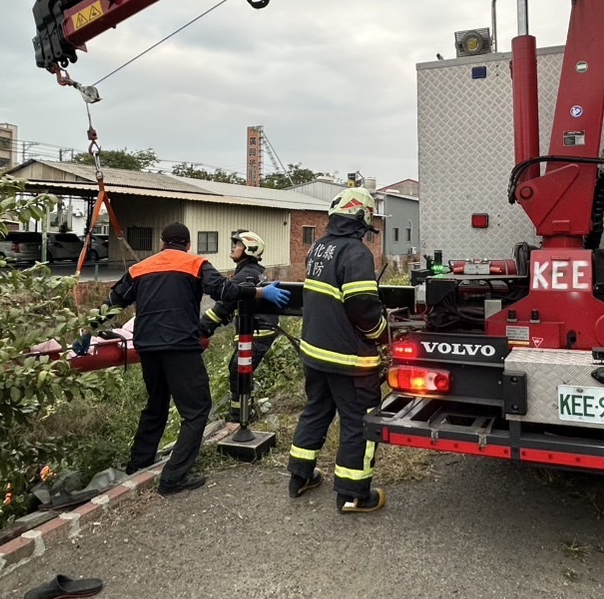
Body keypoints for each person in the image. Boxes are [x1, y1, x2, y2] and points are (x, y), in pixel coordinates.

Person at [88, 222, 291, 494]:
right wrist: (260, 292)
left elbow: (112, 302)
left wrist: (85, 332)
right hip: (180, 347)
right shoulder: (195, 264)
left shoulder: (140, 268)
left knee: (155, 405)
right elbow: (226, 292)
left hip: (147, 347)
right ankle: (173, 477)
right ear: (187, 245)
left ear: (161, 243)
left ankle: (139, 464)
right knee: (196, 412)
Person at [287, 187, 390, 513]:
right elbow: (362, 305)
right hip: (348, 358)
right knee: (359, 421)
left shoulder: (319, 247)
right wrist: (381, 333)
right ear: (362, 219)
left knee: (316, 410)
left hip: (315, 352)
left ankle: (300, 476)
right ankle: (353, 494)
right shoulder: (356, 253)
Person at [199, 230, 279, 420]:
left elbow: (224, 305)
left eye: (238, 244)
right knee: (238, 370)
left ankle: (240, 415)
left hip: (257, 331)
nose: (233, 247)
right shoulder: (251, 271)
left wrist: (202, 328)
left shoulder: (246, 273)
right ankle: (242, 411)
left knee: (238, 371)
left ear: (249, 249)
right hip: (258, 329)